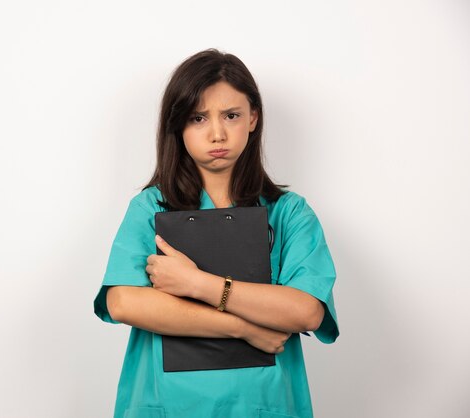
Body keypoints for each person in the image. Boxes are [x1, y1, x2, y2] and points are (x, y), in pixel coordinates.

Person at [93, 48, 339, 418]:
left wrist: (197, 284)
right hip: (168, 403)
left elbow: (306, 311)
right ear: (177, 125)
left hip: (262, 402)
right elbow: (123, 302)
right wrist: (243, 327)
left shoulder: (289, 213)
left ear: (253, 118)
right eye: (198, 118)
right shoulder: (152, 209)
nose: (217, 132)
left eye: (231, 115)